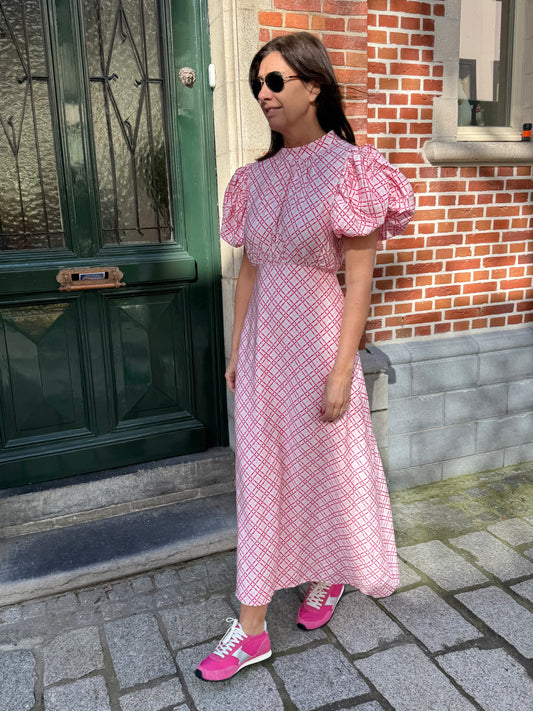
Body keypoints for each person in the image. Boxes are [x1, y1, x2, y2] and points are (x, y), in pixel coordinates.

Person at [195, 32, 415, 682]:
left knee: (324, 468)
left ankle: (328, 572)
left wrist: (343, 370)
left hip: (319, 346)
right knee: (261, 478)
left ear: (313, 86)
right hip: (265, 352)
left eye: (275, 81)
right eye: (256, 84)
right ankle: (252, 628)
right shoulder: (254, 179)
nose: (263, 94)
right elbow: (249, 271)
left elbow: (359, 279)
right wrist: (237, 349)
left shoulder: (352, 170)